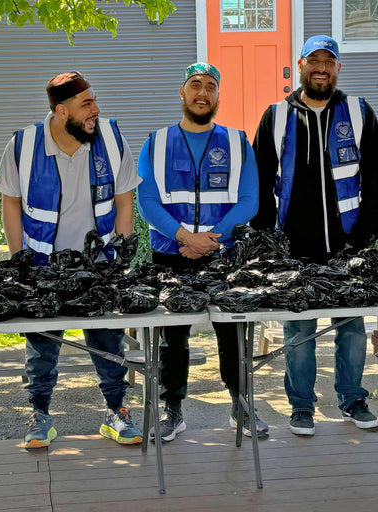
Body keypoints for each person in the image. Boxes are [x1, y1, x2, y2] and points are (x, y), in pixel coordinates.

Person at [251, 35, 378, 436]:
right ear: (300, 65)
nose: (321, 68)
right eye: (314, 60)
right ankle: (301, 407)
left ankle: (352, 399)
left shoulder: (359, 112)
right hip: (293, 252)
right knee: (300, 333)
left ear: (338, 69)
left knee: (350, 328)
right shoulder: (276, 116)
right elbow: (260, 183)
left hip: (348, 248)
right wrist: (268, 244)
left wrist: (363, 238)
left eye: (329, 62)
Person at [0, 72, 143, 449]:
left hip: (100, 267)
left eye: (94, 100)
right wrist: (18, 261)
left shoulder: (110, 137)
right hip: (43, 269)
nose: (96, 110)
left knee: (109, 342)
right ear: (61, 111)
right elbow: (9, 202)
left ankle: (116, 411)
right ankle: (40, 414)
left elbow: (125, 197)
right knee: (41, 346)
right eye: (86, 104)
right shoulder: (23, 144)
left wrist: (120, 256)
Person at [137, 63, 263, 442]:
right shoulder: (155, 143)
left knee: (232, 332)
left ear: (218, 95)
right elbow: (146, 200)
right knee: (172, 337)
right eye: (195, 85)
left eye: (211, 86)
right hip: (170, 253)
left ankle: (240, 403)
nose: (203, 92)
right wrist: (182, 237)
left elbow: (249, 200)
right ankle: (172, 408)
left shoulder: (238, 142)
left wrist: (212, 238)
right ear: (182, 92)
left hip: (222, 254)